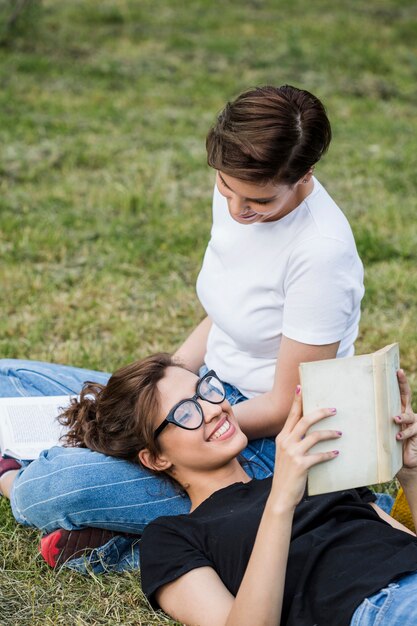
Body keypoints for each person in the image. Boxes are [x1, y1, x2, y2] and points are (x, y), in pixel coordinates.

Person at [0, 85, 365, 557]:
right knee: (8, 378)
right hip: (201, 394)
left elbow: (281, 406)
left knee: (50, 488)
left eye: (257, 201)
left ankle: (14, 474)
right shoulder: (240, 190)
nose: (237, 210)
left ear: (305, 175)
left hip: (257, 443)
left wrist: (164, 431)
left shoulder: (322, 254)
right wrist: (161, 384)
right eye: (225, 188)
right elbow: (225, 313)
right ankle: (135, 518)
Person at [4, 353, 417, 625]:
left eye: (207, 389)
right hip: (380, 609)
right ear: (156, 458)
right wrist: (281, 500)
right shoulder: (172, 537)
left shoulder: (312, 473)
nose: (213, 407)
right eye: (186, 411)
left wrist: (409, 472)